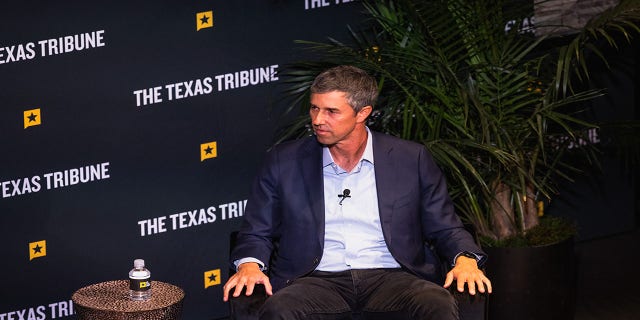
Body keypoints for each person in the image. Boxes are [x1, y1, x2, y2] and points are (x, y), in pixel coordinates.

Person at [223, 65, 491, 319]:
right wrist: (249, 264)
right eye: (314, 108)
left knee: (436, 303)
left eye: (331, 111)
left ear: (362, 113)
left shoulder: (411, 159)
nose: (317, 120)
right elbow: (256, 230)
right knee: (280, 309)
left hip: (393, 277)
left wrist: (465, 258)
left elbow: (445, 227)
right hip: (315, 280)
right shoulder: (284, 161)